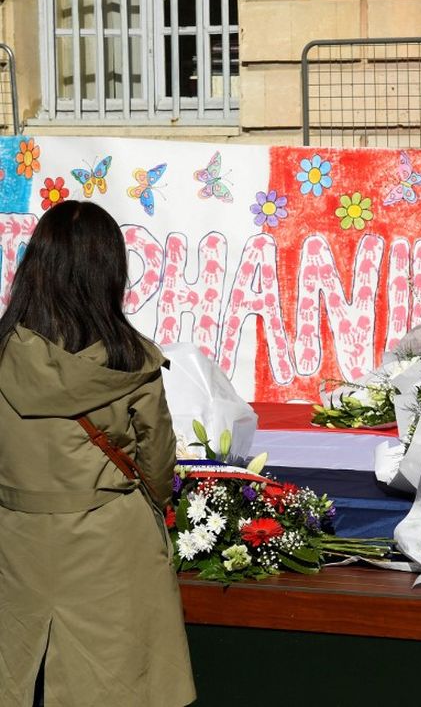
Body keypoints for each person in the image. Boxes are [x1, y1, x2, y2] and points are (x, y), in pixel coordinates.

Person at [0, 200, 196, 706]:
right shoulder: (128, 359)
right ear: (108, 272)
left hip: (15, 546)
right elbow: (157, 466)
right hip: (111, 547)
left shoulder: (2, 353)